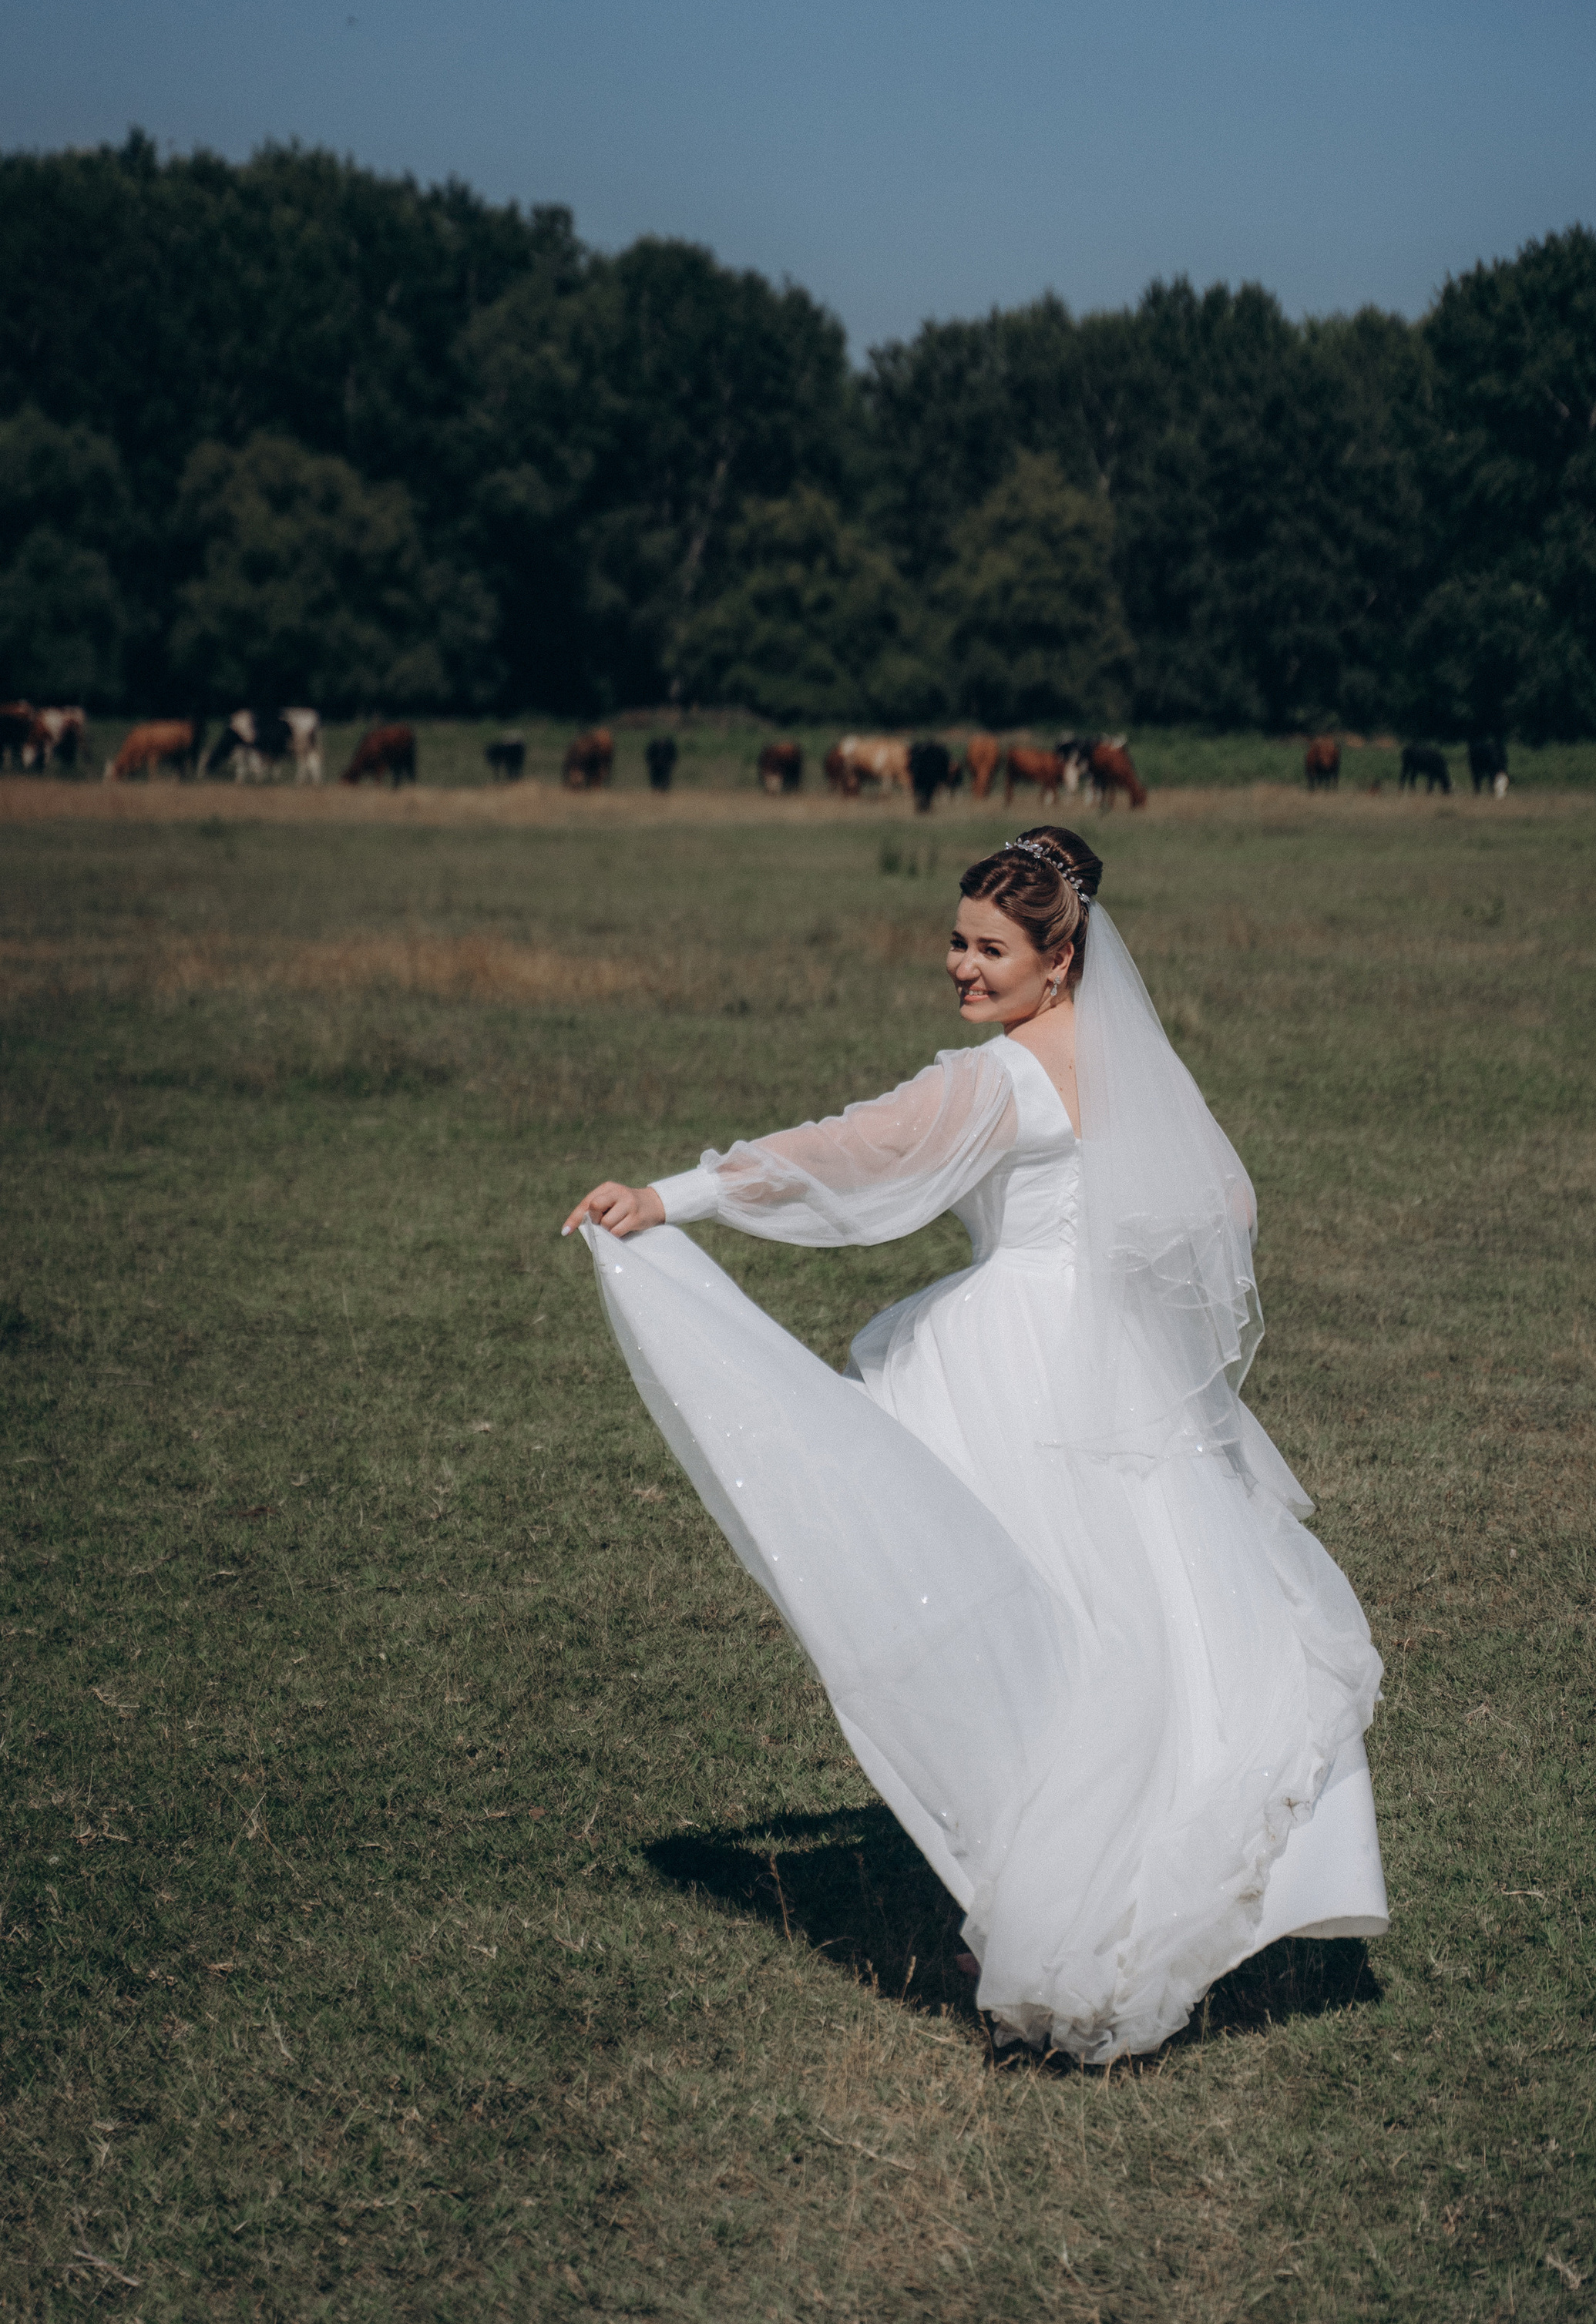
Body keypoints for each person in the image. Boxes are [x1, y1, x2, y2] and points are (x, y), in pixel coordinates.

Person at [563, 826, 1386, 2062]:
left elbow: (859, 1149)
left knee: (1045, 1617)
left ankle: (1077, 1905)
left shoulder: (1005, 1078)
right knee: (1158, 1614)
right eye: (956, 939)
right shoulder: (1126, 1060)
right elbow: (1224, 1203)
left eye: (991, 948)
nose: (962, 965)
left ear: (1059, 962)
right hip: (1116, 1362)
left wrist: (677, 1197)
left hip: (1018, 1357)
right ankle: (1178, 1879)